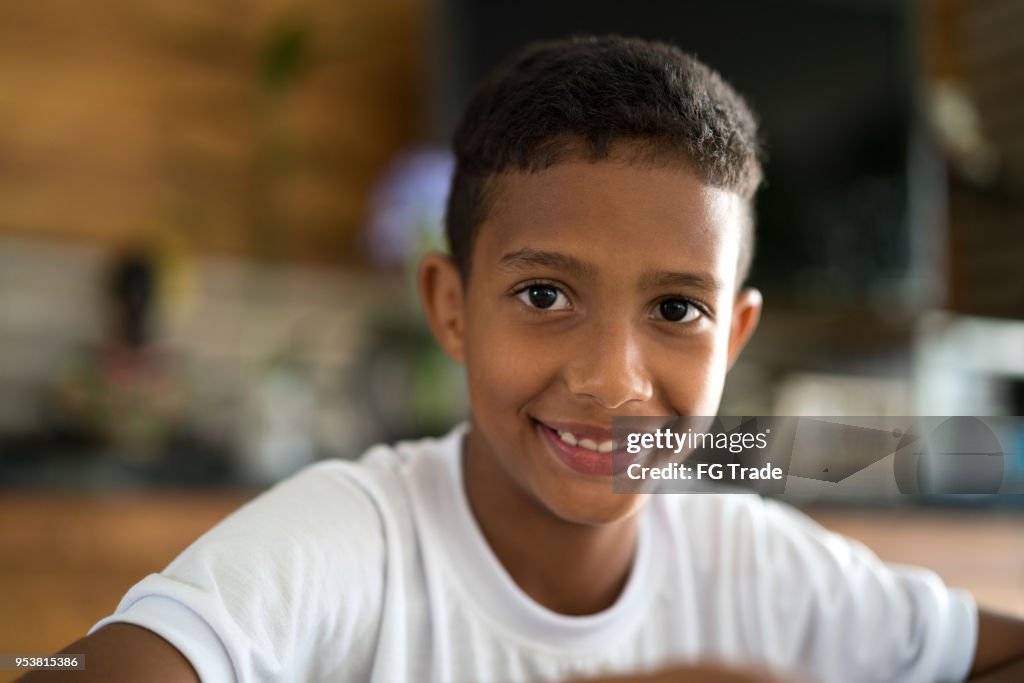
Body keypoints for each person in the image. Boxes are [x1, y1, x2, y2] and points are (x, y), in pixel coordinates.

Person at [23, 35, 1024, 683]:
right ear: (449, 307)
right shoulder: (352, 538)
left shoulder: (752, 557)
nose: (610, 378)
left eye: (676, 307)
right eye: (544, 295)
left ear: (734, 337)